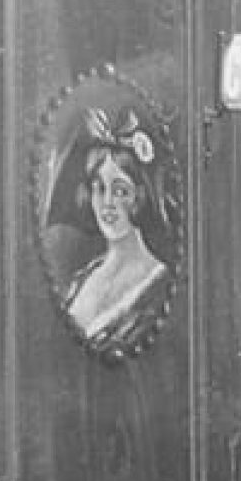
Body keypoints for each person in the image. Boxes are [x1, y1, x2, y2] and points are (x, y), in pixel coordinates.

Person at [62, 109, 173, 351]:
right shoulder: (83, 279)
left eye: (121, 191)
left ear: (140, 198)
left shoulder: (156, 281)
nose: (107, 204)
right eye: (99, 188)